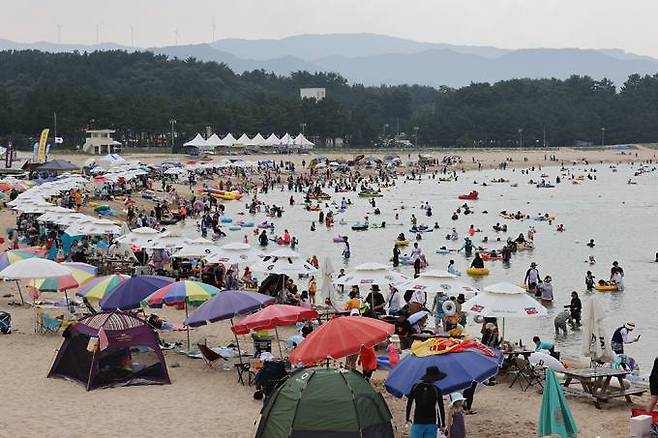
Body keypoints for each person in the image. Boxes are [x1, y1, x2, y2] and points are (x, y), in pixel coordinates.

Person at [406, 366, 447, 438]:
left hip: (418, 421)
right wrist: (443, 424)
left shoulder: (415, 387)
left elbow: (409, 403)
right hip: (431, 423)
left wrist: (407, 418)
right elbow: (441, 408)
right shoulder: (436, 390)